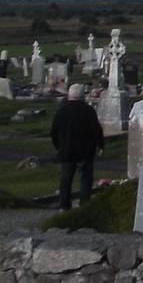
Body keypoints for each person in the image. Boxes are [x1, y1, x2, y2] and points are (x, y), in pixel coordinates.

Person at [50, 83, 104, 211]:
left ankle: (64, 205)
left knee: (66, 179)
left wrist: (58, 146)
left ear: (69, 95)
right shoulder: (88, 111)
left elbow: (54, 131)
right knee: (85, 179)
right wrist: (100, 145)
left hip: (67, 150)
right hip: (85, 151)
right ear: (82, 96)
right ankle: (84, 205)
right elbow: (96, 130)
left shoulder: (62, 111)